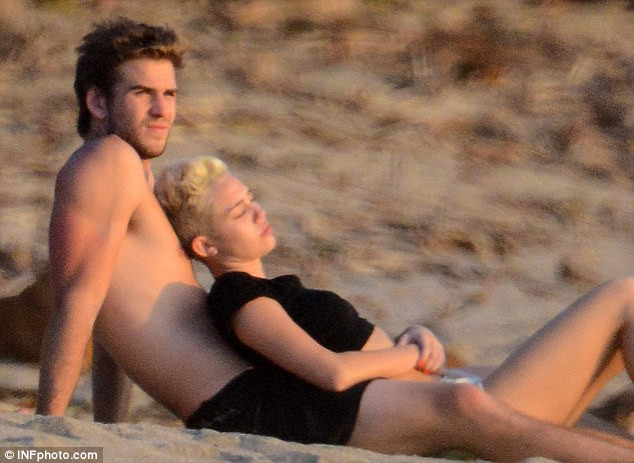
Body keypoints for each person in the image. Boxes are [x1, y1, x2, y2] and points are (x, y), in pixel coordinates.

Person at [154, 154, 634, 462]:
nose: (259, 212)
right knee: (623, 296)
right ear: (206, 245)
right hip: (459, 409)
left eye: (252, 199)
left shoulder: (268, 288)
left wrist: (410, 337)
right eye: (240, 211)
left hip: (446, 388)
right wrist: (409, 353)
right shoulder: (241, 299)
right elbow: (333, 373)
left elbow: (356, 356)